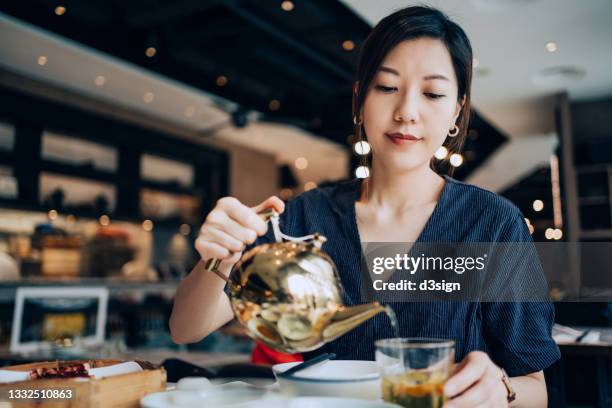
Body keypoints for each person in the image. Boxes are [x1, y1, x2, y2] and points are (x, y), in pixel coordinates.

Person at [170, 6, 560, 407]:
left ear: (457, 110)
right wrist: (219, 259)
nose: (407, 111)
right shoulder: (307, 215)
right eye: (387, 87)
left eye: (432, 94)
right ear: (360, 98)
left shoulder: (493, 224)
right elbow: (186, 329)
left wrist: (503, 390)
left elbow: (536, 387)